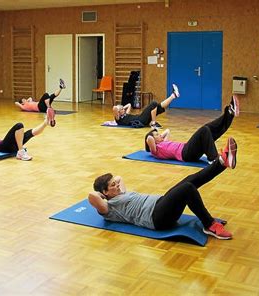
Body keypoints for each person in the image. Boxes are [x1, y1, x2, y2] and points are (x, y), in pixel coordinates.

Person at [88, 138, 237, 240]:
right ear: (104, 193)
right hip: (157, 218)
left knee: (190, 179)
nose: (117, 185)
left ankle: (222, 162)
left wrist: (113, 185)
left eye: (115, 183)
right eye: (113, 186)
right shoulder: (109, 208)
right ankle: (209, 225)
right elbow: (91, 196)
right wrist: (103, 196)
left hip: (161, 205)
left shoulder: (120, 194)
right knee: (187, 188)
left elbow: (119, 177)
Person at [145, 95, 239, 164]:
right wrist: (152, 133)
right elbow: (149, 139)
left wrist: (159, 136)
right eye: (156, 135)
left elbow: (167, 131)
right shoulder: (156, 150)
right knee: (204, 130)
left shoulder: (163, 143)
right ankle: (213, 158)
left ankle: (229, 113)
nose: (159, 135)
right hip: (185, 154)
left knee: (209, 130)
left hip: (189, 150)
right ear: (152, 142)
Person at [112, 84, 180, 128]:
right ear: (118, 112)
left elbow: (129, 105)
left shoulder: (126, 114)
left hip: (141, 118)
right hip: (141, 119)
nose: (124, 110)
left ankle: (173, 95)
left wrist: (122, 108)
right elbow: (114, 108)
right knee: (153, 104)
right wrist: (119, 109)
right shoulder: (119, 119)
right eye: (122, 109)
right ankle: (153, 123)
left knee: (158, 107)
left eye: (123, 109)